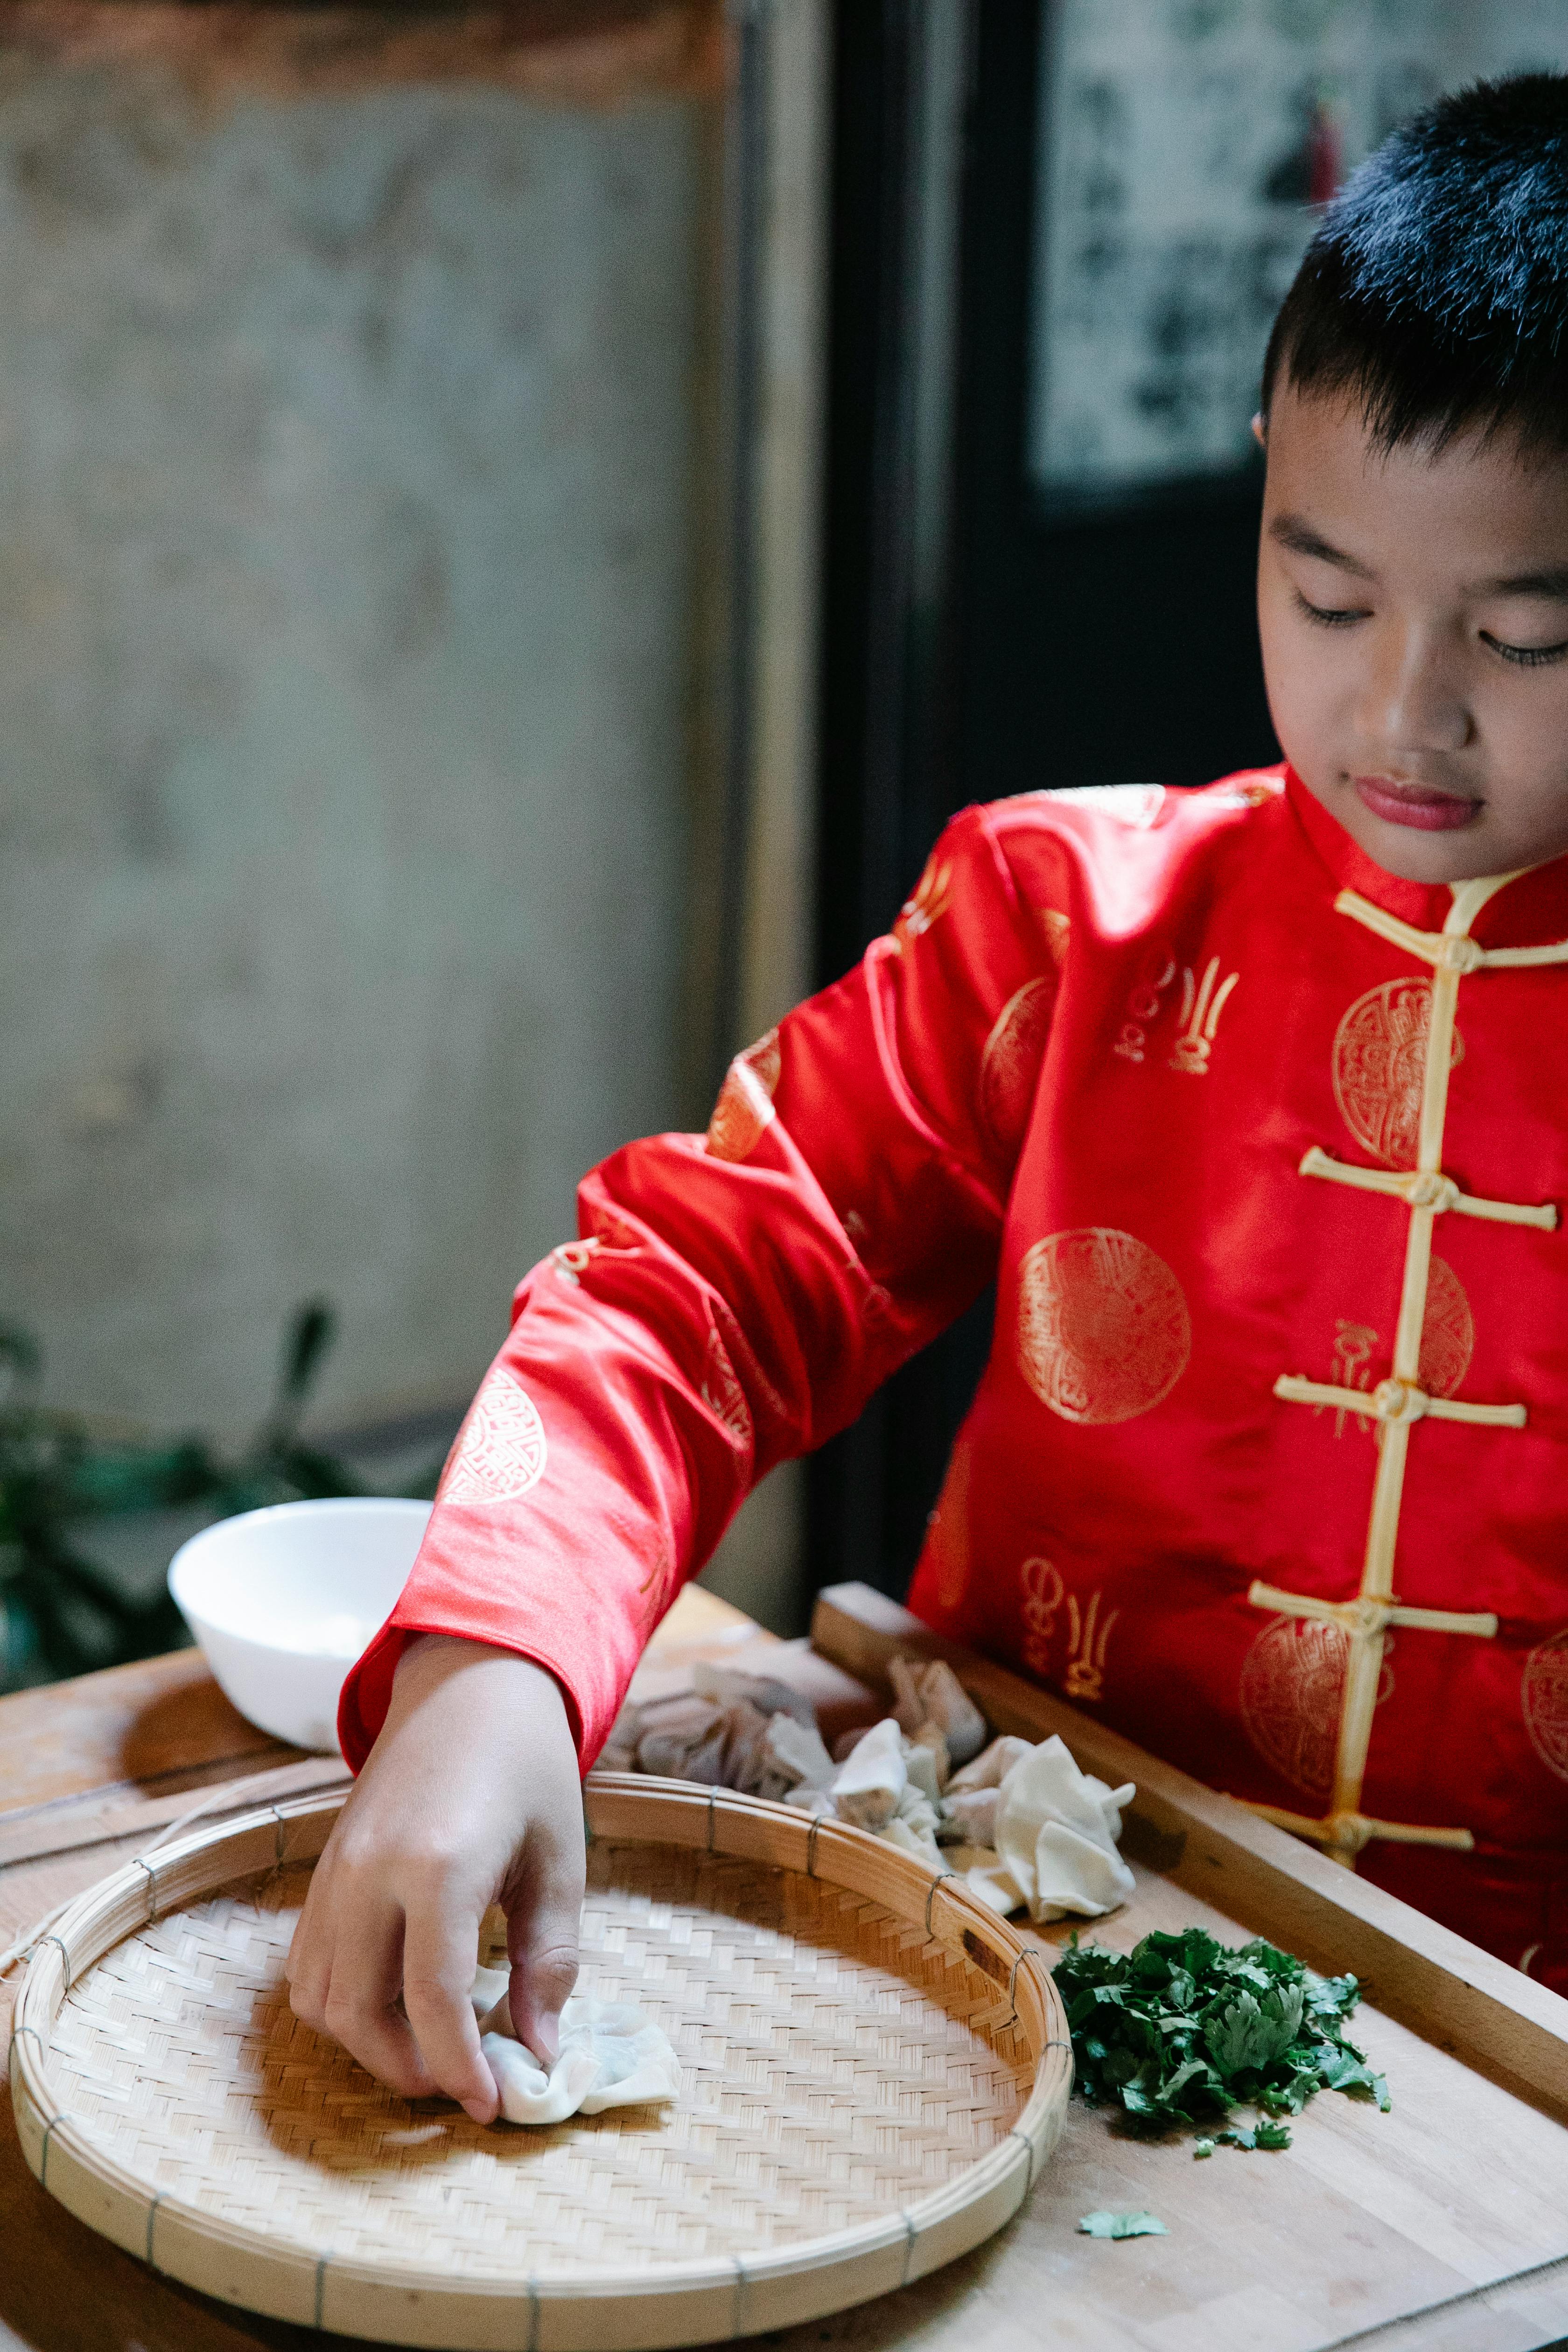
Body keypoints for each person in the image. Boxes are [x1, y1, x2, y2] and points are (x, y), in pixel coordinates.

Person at [287, 72, 1568, 2122]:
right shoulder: (1074, 923)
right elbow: (695, 1276)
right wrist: (492, 1668)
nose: (1400, 709)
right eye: (1326, 597)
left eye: (1523, 635)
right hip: (998, 1984)